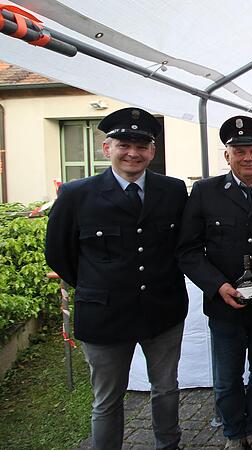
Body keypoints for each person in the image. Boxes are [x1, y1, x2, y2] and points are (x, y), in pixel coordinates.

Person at [45, 107, 188, 450]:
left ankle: (169, 445)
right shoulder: (76, 195)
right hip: (105, 314)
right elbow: (59, 255)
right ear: (106, 148)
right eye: (124, 144)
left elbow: (182, 245)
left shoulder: (172, 191)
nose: (133, 153)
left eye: (142, 146)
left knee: (166, 389)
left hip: (162, 310)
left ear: (153, 151)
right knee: (107, 400)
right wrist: (101, 285)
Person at [177, 116, 252, 450]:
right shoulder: (204, 192)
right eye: (238, 151)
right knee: (226, 379)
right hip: (224, 304)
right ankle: (233, 433)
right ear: (227, 155)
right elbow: (188, 249)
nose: (247, 158)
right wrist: (217, 286)